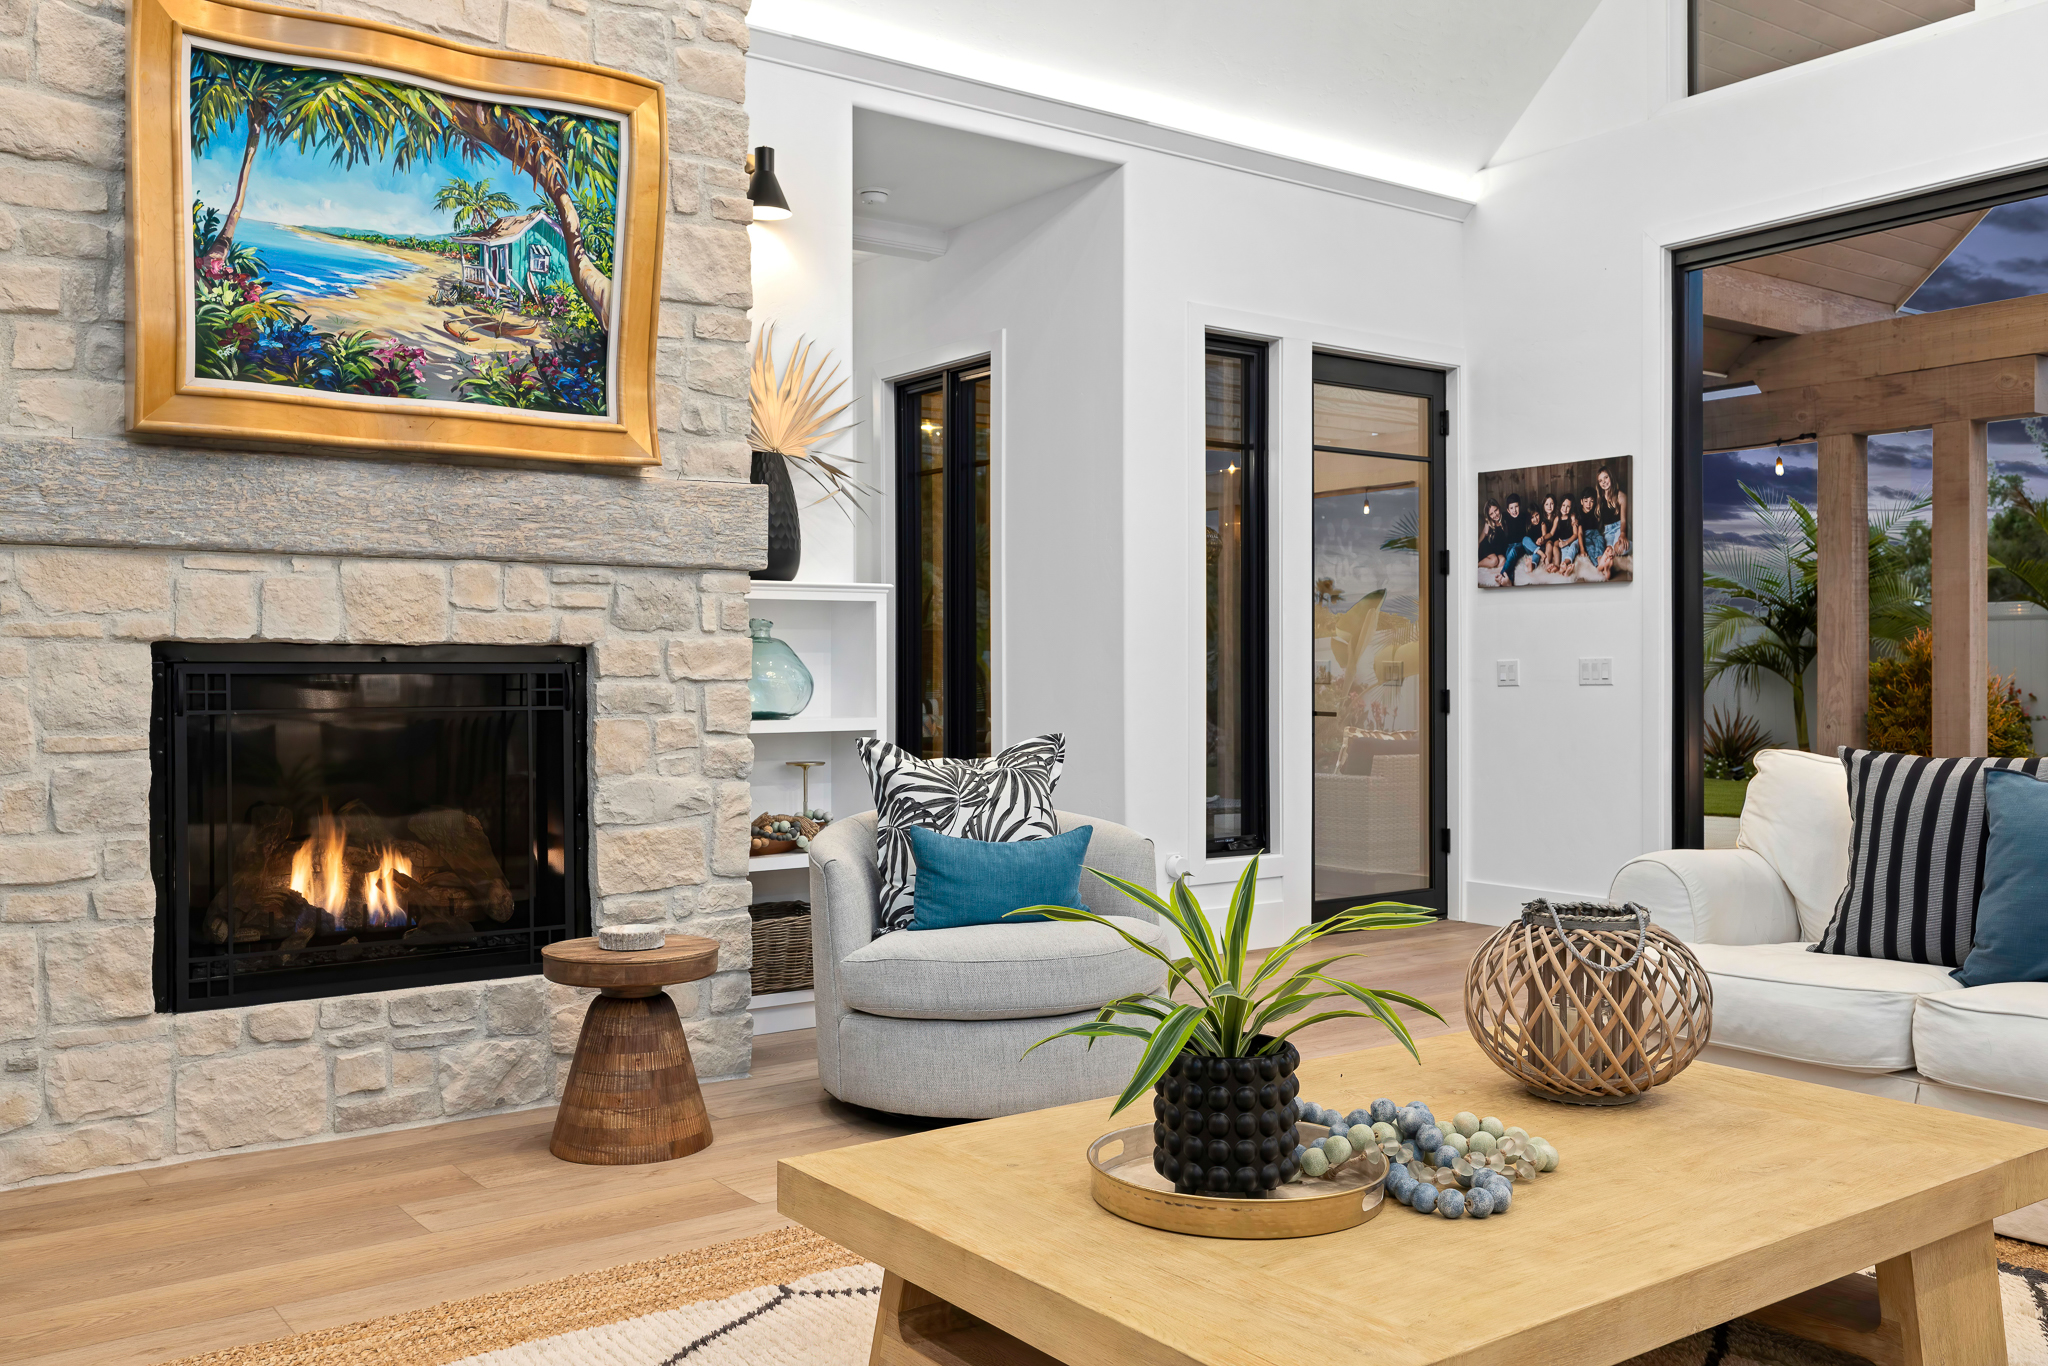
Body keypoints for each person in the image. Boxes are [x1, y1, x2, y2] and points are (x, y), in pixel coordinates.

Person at [1594, 466, 1629, 573]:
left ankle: (1632, 546)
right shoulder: (1599, 498)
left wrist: (1623, 534)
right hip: (1607, 531)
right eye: (1600, 480)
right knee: (1608, 549)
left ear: (1611, 477)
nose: (1604, 482)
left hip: (1619, 527)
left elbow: (1624, 521)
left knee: (1620, 548)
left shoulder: (1621, 496)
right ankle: (1606, 566)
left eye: (1606, 477)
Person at [1496, 494, 1534, 587]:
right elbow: (1495, 517)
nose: (1514, 510)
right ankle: (1509, 581)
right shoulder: (1505, 517)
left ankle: (1501, 575)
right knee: (1510, 558)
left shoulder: (1524, 516)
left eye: (1516, 507)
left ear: (1519, 506)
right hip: (1509, 545)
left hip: (1520, 545)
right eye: (1511, 508)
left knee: (1513, 551)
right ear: (1508, 510)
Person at [1570, 488, 1606, 579]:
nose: (1588, 504)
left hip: (1596, 533)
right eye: (1586, 501)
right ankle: (1597, 565)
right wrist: (1582, 549)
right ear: (1581, 502)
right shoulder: (1579, 514)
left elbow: (1599, 526)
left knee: (1600, 540)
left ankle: (1600, 558)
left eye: (1591, 501)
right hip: (1585, 535)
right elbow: (1580, 533)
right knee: (1589, 547)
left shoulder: (1595, 511)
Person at [1478, 501, 1510, 571]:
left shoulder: (1505, 518)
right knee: (1494, 561)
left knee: (1503, 561)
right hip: (1487, 547)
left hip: (1496, 549)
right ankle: (1477, 564)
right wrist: (1478, 544)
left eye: (1496, 510)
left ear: (1499, 508)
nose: (1495, 515)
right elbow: (1484, 534)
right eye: (1491, 514)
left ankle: (1489, 563)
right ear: (1488, 516)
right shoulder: (1489, 523)